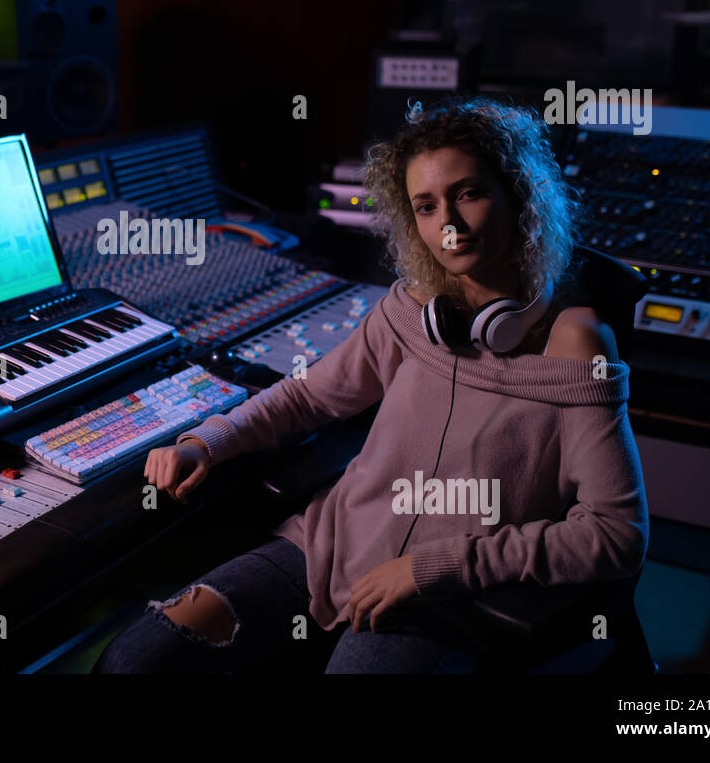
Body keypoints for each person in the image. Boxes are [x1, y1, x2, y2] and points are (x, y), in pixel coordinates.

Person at [92, 96, 649, 674]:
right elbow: (309, 395)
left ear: (519, 196)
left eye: (469, 194)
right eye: (426, 207)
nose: (449, 227)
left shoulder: (576, 342)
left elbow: (615, 533)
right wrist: (209, 438)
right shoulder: (412, 310)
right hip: (330, 549)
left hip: (456, 597)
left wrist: (433, 567)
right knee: (133, 662)